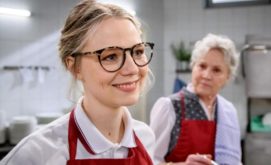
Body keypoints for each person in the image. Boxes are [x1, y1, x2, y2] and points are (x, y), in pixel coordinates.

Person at [1, 0, 155, 164]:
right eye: (110, 56)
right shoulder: (37, 154)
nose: (132, 69)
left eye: (138, 52)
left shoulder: (145, 137)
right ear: (75, 67)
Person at [150, 33, 242, 165]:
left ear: (228, 76)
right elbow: (148, 160)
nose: (206, 75)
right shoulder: (169, 106)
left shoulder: (228, 111)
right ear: (193, 67)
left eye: (216, 70)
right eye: (202, 66)